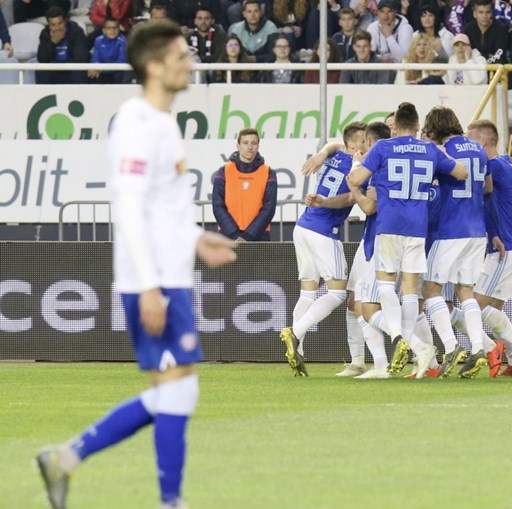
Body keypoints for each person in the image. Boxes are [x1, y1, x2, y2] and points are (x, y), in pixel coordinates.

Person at [35, 21, 238, 509]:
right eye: (180, 56)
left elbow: (158, 208)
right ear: (153, 66)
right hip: (153, 282)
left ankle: (67, 458)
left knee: (178, 395)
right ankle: (170, 501)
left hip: (170, 278)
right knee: (176, 394)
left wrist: (194, 238)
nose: (189, 63)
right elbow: (126, 207)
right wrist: (148, 286)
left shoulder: (163, 123)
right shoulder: (136, 122)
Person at [348, 102, 467, 376]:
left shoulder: (382, 148)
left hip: (389, 224)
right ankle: (414, 349)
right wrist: (441, 156)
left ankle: (399, 338)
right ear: (417, 127)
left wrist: (355, 178)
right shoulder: (428, 150)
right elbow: (461, 172)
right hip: (418, 227)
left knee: (386, 283)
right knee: (411, 290)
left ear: (395, 127)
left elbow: (357, 178)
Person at [280, 121, 368, 377]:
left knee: (308, 292)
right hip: (323, 232)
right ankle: (295, 333)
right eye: (363, 140)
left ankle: (299, 351)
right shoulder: (357, 165)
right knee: (338, 293)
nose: (366, 144)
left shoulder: (337, 152)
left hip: (303, 227)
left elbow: (334, 144)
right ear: (354, 144)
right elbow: (349, 198)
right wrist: (328, 202)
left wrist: (322, 152)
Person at [419, 106, 492, 378]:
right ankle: (477, 348)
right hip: (477, 228)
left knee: (430, 288)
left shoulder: (440, 152)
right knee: (465, 290)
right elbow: (488, 187)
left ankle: (451, 347)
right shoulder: (478, 148)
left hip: (450, 228)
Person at [465, 119, 512, 377]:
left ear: (483, 141)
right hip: (507, 246)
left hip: (505, 249)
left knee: (476, 306)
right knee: (493, 309)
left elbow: (485, 189)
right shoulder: (503, 163)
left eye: (471, 140)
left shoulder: (494, 167)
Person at [212, 128, 277, 241]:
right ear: (238, 146)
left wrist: (248, 235)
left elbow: (269, 208)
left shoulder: (269, 172)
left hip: (259, 237)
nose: (250, 147)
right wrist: (234, 234)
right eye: (245, 143)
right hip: (227, 236)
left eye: (254, 143)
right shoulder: (223, 171)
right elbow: (218, 206)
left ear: (258, 146)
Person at [36, 6, 89, 85]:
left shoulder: (76, 32)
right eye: (53, 25)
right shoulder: (45, 33)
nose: (57, 28)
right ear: (49, 25)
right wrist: (53, 42)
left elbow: (81, 58)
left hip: (71, 71)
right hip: (53, 72)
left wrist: (59, 66)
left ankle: (78, 96)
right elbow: (41, 59)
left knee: (79, 71)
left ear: (65, 21)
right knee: (41, 70)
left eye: (60, 23)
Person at [88, 18, 129, 84]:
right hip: (101, 70)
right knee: (91, 74)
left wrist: (102, 70)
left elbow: (121, 63)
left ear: (119, 29)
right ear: (104, 30)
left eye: (115, 28)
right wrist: (95, 68)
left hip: (116, 72)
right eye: (108, 28)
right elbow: (95, 59)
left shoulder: (122, 41)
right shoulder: (98, 40)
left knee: (119, 75)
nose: (112, 31)